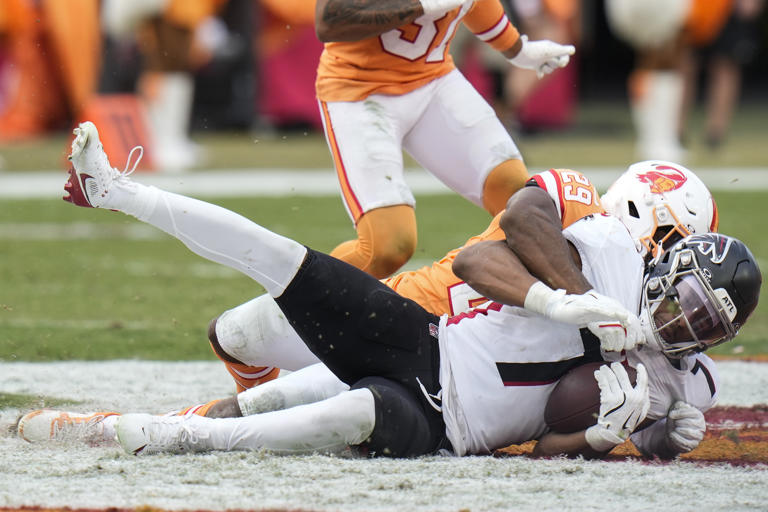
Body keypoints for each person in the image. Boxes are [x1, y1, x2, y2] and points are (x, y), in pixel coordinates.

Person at [22, 122, 761, 459]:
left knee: (337, 415)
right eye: (681, 293)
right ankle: (117, 190)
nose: (677, 318)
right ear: (664, 256)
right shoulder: (601, 246)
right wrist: (566, 300)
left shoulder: (687, 378)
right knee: (282, 268)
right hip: (424, 332)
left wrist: (634, 435)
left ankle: (180, 435)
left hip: (447, 423)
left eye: (700, 320)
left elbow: (552, 438)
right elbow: (491, 248)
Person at [313, 0, 575, 279]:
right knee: (387, 246)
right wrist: (421, 5)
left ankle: (531, 305)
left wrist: (518, 49)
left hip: (433, 78)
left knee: (518, 196)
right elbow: (329, 20)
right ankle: (293, 308)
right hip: (359, 90)